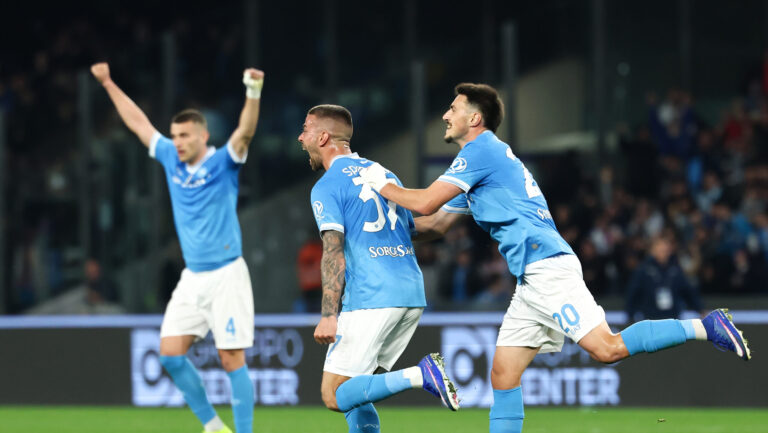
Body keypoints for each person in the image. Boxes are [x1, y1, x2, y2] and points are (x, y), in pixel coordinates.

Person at [359, 83, 751, 433]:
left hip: (546, 266)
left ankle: (706, 327)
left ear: (474, 118)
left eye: (453, 108)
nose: (445, 115)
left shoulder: (481, 151)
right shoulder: (483, 164)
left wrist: (383, 186)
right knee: (503, 374)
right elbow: (436, 223)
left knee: (607, 349)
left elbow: (425, 201)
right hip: (531, 279)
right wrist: (373, 231)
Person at [91, 62, 264, 433]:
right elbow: (138, 123)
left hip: (227, 274)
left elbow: (245, 131)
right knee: (170, 354)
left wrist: (252, 91)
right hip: (193, 278)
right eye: (174, 135)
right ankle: (214, 426)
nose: (178, 142)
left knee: (231, 358)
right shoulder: (170, 158)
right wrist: (108, 83)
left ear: (202, 136)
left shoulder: (222, 162)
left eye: (184, 135)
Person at [299, 104, 459, 433]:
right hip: (410, 293)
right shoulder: (383, 174)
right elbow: (418, 229)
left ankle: (420, 374)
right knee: (358, 390)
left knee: (334, 394)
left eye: (306, 130)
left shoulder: (327, 186)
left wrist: (329, 314)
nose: (301, 138)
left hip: (371, 295)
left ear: (324, 136)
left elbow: (332, 250)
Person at [625, 236, 703, 321]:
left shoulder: (675, 270)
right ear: (653, 250)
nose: (663, 253)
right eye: (660, 250)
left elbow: (688, 292)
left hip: (672, 318)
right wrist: (630, 314)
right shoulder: (643, 270)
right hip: (650, 319)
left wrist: (700, 309)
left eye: (665, 250)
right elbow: (633, 293)